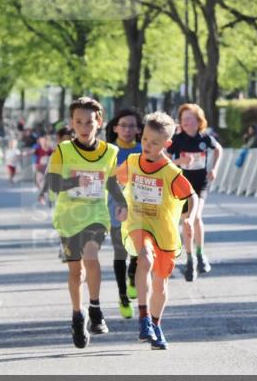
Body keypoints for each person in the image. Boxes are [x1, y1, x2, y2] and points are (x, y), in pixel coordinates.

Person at [46, 98, 127, 348]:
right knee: (76, 271)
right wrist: (74, 183)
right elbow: (52, 185)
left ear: (99, 123)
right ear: (72, 123)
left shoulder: (110, 152)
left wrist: (122, 202)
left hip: (96, 215)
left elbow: (112, 182)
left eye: (89, 122)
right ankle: (77, 315)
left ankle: (95, 308)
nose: (84, 127)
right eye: (78, 122)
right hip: (69, 217)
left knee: (91, 256)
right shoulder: (63, 151)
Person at [116, 112, 198, 350]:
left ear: (167, 144)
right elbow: (113, 181)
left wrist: (190, 218)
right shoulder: (132, 163)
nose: (147, 146)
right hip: (137, 223)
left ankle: (155, 323)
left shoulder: (171, 173)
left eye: (154, 143)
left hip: (164, 232)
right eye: (145, 140)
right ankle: (143, 319)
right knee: (144, 258)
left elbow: (191, 197)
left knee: (161, 285)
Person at [168, 103, 221, 281]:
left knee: (196, 217)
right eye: (183, 120)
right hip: (182, 185)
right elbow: (165, 161)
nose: (186, 123)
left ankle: (200, 254)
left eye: (190, 119)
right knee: (187, 221)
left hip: (200, 184)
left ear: (199, 121)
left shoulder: (205, 138)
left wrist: (214, 168)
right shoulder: (177, 140)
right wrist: (180, 161)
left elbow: (218, 149)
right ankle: (190, 258)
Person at [105, 108, 143, 318]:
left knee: (137, 251)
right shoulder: (109, 152)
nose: (127, 129)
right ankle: (122, 296)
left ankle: (132, 275)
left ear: (138, 129)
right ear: (115, 128)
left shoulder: (143, 150)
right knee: (120, 253)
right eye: (123, 125)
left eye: (132, 125)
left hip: (139, 211)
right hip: (116, 209)